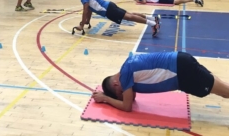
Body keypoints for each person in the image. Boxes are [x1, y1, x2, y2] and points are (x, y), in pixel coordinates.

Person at [93, 51, 229, 112]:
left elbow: (127, 107)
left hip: (181, 70)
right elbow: (132, 99)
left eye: (120, 93)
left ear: (116, 84)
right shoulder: (128, 67)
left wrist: (106, 99)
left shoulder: (125, 76)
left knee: (225, 92)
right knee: (219, 87)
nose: (125, 95)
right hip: (181, 63)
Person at [73, 0, 160, 37]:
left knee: (130, 17)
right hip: (109, 5)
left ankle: (153, 24)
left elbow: (85, 11)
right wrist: (87, 21)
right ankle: (152, 19)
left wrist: (82, 25)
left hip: (108, 10)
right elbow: (89, 10)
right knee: (130, 14)